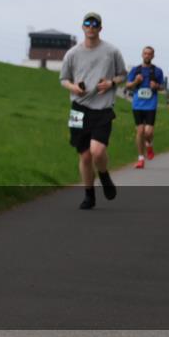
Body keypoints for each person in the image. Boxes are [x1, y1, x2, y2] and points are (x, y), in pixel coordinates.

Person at [59, 12, 127, 210]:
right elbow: (63, 79)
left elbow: (123, 74)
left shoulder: (111, 51)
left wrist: (111, 82)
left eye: (94, 24)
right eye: (87, 23)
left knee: (97, 152)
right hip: (78, 109)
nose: (91, 27)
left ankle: (104, 176)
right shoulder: (72, 53)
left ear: (100, 28)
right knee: (85, 156)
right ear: (82, 27)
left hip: (103, 108)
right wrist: (74, 88)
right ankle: (89, 195)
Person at [125, 46, 165, 168]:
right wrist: (136, 82)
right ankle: (141, 158)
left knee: (148, 132)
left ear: (153, 56)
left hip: (151, 105)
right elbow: (128, 86)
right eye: (145, 53)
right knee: (140, 131)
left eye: (149, 54)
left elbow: (163, 87)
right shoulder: (135, 70)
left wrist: (156, 86)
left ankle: (149, 144)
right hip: (137, 104)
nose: (147, 56)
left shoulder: (157, 71)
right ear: (142, 55)